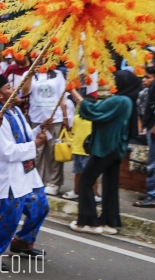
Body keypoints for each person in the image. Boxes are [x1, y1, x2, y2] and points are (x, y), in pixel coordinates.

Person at [0, 75, 51, 270]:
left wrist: (40, 130)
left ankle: (22, 242)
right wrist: (34, 144)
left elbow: (25, 138)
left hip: (27, 172)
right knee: (11, 216)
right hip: (10, 176)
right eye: (10, 87)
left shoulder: (16, 111)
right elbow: (7, 151)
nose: (15, 89)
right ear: (0, 95)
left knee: (41, 207)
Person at [70, 71, 138, 235]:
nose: (113, 84)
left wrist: (73, 92)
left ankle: (88, 223)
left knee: (86, 181)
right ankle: (109, 222)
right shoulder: (128, 100)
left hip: (107, 147)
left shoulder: (120, 100)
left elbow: (93, 110)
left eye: (116, 81)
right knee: (110, 185)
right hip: (116, 149)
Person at [20, 64, 67, 195]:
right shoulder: (28, 74)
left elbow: (62, 97)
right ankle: (35, 180)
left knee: (53, 152)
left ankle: (54, 183)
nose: (42, 61)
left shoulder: (57, 74)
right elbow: (24, 92)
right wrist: (30, 74)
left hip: (54, 118)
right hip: (37, 119)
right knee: (36, 152)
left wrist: (65, 116)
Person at [135, 66, 155, 207]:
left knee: (152, 164)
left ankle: (152, 196)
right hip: (149, 127)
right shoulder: (148, 91)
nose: (144, 79)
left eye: (148, 77)